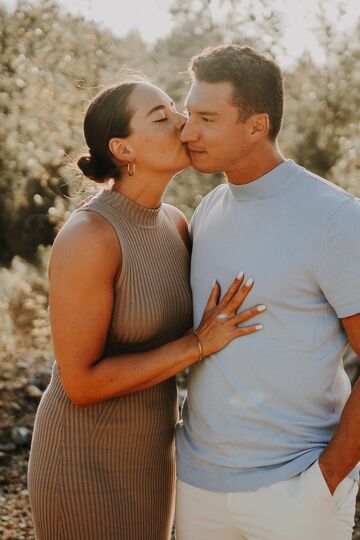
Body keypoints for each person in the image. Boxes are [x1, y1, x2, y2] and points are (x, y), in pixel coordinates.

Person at [27, 78, 264, 540]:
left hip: (153, 457)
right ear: (123, 149)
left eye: (176, 110)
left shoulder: (175, 222)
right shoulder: (89, 237)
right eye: (162, 117)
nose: (182, 122)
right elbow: (80, 383)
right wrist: (197, 344)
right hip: (83, 462)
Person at [175, 44, 360, 540]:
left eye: (207, 118)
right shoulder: (208, 209)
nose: (188, 131)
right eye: (188, 113)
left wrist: (326, 480)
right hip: (198, 488)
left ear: (257, 125)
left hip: (297, 492)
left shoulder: (335, 218)